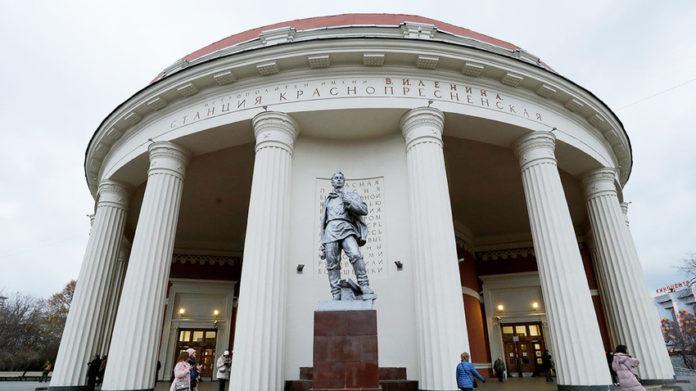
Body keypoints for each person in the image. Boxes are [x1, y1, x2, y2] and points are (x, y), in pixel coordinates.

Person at [319, 171, 374, 300]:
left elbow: (364, 210)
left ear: (344, 181)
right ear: (332, 182)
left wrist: (348, 200)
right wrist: (322, 241)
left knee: (355, 254)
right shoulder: (328, 200)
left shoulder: (351, 195)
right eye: (335, 178)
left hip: (346, 227)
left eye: (340, 178)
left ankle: (364, 285)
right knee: (332, 263)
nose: (338, 180)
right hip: (330, 231)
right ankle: (336, 293)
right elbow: (323, 223)